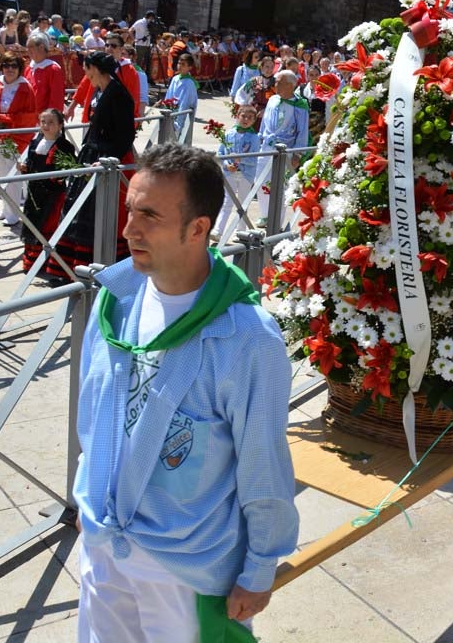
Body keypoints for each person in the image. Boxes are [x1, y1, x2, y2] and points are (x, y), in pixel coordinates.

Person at [74, 143, 298, 640]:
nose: (129, 229)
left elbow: (263, 462)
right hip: (105, 549)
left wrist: (260, 567)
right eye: (131, 209)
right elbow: (93, 416)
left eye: (149, 215)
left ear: (198, 229)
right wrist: (88, 503)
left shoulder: (246, 338)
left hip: (184, 571)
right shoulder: (115, 300)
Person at [56, 51, 137, 270]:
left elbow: (126, 134)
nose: (85, 74)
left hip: (109, 158)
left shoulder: (118, 94)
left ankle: (103, 261)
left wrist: (108, 159)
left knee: (102, 210)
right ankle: (75, 264)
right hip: (94, 153)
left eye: (87, 69)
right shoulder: (99, 91)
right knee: (81, 209)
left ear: (96, 69)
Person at [17, 109, 76, 284]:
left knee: (49, 225)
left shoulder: (64, 146)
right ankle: (33, 261)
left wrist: (59, 176)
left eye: (51, 122)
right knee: (33, 224)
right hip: (35, 191)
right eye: (43, 122)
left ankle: (51, 262)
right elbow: (31, 162)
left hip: (53, 194)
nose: (46, 126)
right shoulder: (35, 143)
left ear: (60, 125)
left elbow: (69, 169)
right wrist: (24, 167)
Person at [0, 51, 39, 226]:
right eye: (6, 65)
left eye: (14, 66)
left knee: (13, 174)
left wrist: (4, 118)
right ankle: (6, 208)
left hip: (16, 137)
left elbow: (29, 116)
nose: (9, 69)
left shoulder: (25, 87)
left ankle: (13, 213)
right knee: (0, 172)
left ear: (20, 68)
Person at [257, 70, 309, 225]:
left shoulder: (300, 105)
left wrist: (297, 154)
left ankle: (276, 221)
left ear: (290, 85)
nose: (276, 85)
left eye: (279, 82)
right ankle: (265, 214)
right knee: (261, 182)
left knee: (280, 185)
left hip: (285, 150)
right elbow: (264, 124)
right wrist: (259, 140)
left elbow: (302, 131)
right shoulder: (273, 99)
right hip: (266, 147)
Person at [214, 105, 261, 241]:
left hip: (246, 175)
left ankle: (241, 232)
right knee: (227, 201)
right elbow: (221, 153)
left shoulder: (254, 138)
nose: (246, 120)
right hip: (230, 173)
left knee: (242, 203)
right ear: (237, 116)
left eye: (250, 118)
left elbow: (254, 158)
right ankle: (218, 230)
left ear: (253, 121)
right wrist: (227, 164)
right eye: (243, 116)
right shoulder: (229, 134)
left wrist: (241, 160)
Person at [24, 32, 66, 116]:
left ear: (41, 47)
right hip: (29, 118)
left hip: (44, 119)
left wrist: (50, 117)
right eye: (27, 48)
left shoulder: (53, 69)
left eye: (30, 47)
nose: (27, 51)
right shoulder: (29, 68)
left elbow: (56, 98)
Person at [162, 52, 199, 136]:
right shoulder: (175, 78)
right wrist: (166, 108)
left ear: (190, 67)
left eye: (183, 64)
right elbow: (169, 95)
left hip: (181, 116)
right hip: (171, 113)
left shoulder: (189, 83)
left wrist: (179, 122)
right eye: (179, 63)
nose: (180, 66)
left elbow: (185, 103)